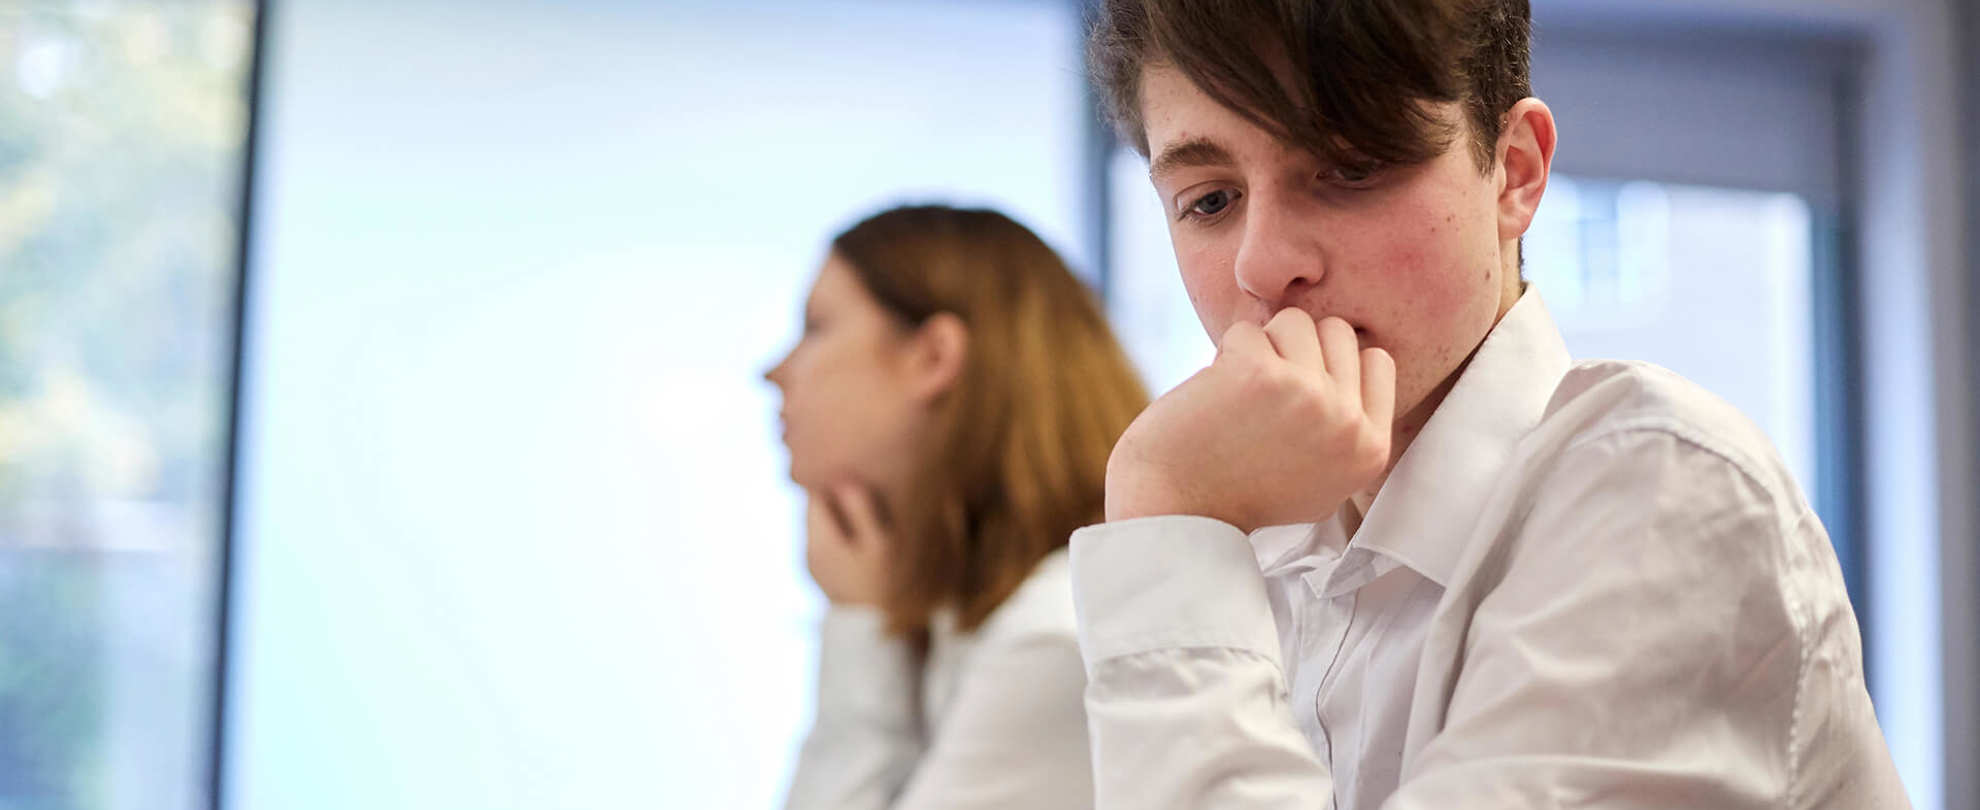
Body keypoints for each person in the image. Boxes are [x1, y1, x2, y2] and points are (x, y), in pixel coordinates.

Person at [1068, 2, 1910, 808]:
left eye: (1350, 166)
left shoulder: (1671, 492)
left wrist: (1161, 509)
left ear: (1515, 172)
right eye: (1210, 201)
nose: (1263, 263)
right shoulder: (1267, 549)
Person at [765, 204, 1148, 810]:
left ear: (934, 357)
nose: (774, 372)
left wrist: (860, 637)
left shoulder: (1055, 641)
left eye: (816, 327)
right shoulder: (980, 614)